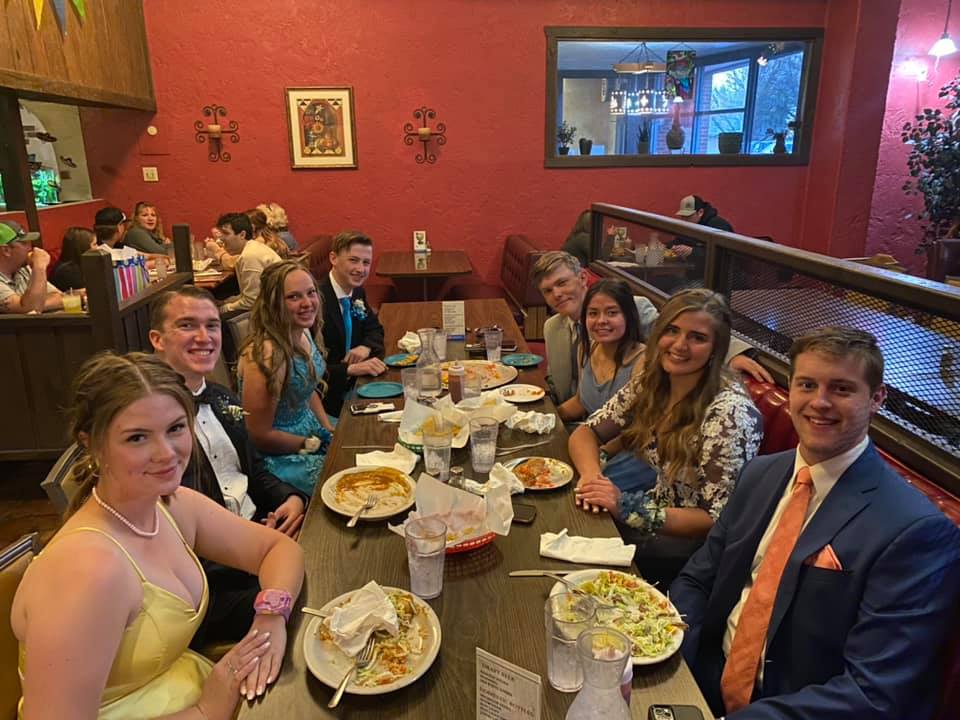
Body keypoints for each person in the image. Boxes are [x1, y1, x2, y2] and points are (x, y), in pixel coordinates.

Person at [670, 327, 960, 719]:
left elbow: (873, 693)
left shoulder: (916, 530)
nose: (819, 403)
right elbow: (697, 579)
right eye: (807, 385)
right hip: (702, 677)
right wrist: (673, 662)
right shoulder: (760, 473)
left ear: (876, 399)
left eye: (841, 389)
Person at [11, 351, 305, 718]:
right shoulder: (87, 572)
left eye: (176, 428)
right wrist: (205, 710)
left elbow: (277, 548)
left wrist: (270, 617)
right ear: (93, 445)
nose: (166, 453)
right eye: (137, 437)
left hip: (196, 688)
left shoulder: (169, 506)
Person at [149, 286, 308, 646]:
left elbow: (255, 471)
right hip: (211, 584)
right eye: (187, 325)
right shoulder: (154, 427)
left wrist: (290, 499)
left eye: (212, 325)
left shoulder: (221, 398)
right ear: (157, 339)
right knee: (312, 603)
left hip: (259, 540)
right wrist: (254, 546)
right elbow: (168, 537)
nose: (204, 337)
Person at [571, 289, 764, 585]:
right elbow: (586, 432)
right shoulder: (653, 382)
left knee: (574, 551)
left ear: (716, 349)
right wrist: (592, 478)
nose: (679, 345)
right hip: (650, 519)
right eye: (672, 330)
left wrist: (626, 506)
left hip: (689, 552)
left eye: (697, 337)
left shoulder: (729, 413)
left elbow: (716, 518)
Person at [532, 251, 771, 406]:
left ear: (583, 278)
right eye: (548, 290)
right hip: (573, 417)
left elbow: (676, 328)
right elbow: (556, 382)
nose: (557, 294)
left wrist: (731, 353)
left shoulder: (631, 309)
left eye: (562, 283)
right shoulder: (552, 327)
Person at [239, 261, 336, 495]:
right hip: (280, 452)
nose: (307, 303)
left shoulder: (303, 331)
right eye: (294, 297)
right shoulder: (267, 356)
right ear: (274, 304)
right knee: (342, 480)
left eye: (311, 293)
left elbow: (307, 389)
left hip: (311, 429)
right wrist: (312, 444)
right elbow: (259, 435)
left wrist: (327, 428)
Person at [556, 278, 656, 494]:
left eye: (612, 313)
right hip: (592, 439)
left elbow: (642, 430)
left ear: (628, 316)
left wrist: (601, 451)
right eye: (593, 313)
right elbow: (581, 401)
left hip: (631, 452)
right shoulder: (587, 348)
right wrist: (550, 416)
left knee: (570, 489)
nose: (601, 320)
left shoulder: (644, 361)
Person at [318, 230, 387, 417]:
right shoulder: (315, 300)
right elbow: (307, 367)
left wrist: (366, 346)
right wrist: (349, 369)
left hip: (355, 386)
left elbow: (375, 329)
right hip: (326, 397)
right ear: (333, 258)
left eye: (366, 263)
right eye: (353, 260)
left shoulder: (357, 292)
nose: (361, 269)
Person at [210, 212, 282, 316]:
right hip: (269, 307)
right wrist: (224, 302)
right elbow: (248, 295)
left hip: (272, 314)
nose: (220, 238)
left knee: (218, 320)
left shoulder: (249, 256)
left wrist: (222, 309)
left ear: (242, 235)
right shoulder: (252, 248)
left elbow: (252, 301)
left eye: (226, 234)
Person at [0, 220, 63, 313]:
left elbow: (59, 296)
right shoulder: (36, 268)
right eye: (24, 243)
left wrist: (36, 303)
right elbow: (31, 312)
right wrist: (39, 267)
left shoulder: (23, 269)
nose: (30, 248)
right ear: (6, 250)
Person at [671, 195, 734, 281]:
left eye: (688, 216)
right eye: (682, 216)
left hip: (720, 279)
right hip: (695, 273)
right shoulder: (688, 225)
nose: (684, 220)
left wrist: (693, 251)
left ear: (700, 212)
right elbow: (677, 242)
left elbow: (722, 255)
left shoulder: (718, 225)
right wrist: (666, 246)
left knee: (679, 287)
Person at [51, 226, 96, 291]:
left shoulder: (79, 263)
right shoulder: (68, 271)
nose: (97, 247)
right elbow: (88, 291)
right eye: (94, 244)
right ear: (83, 247)